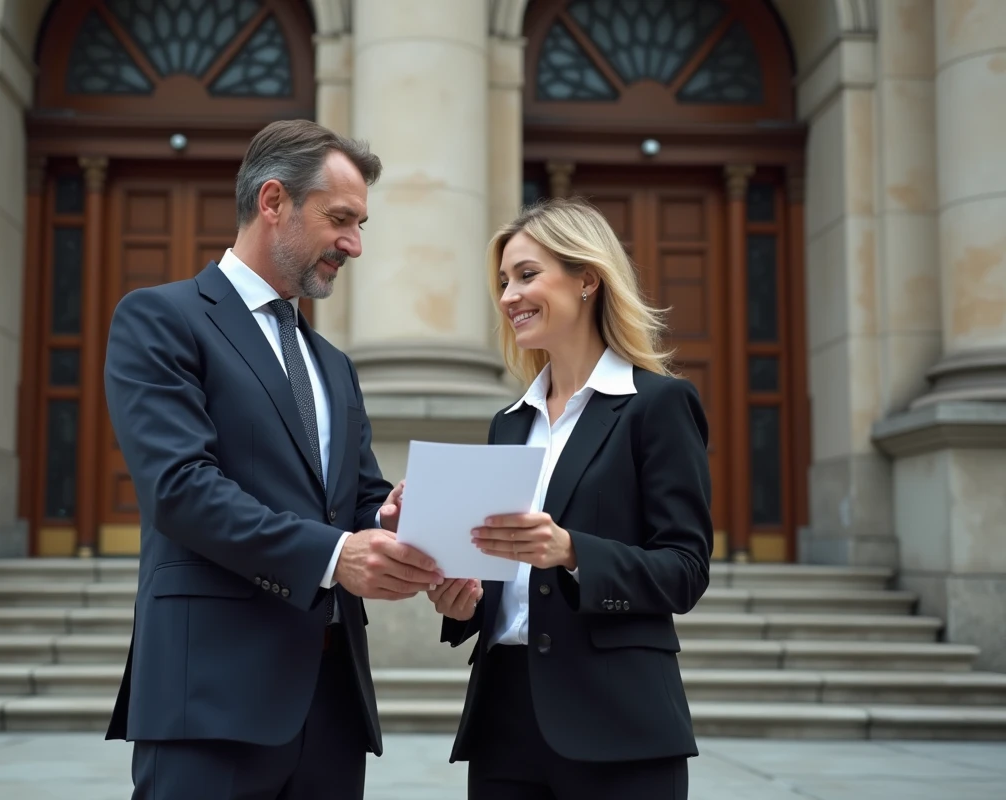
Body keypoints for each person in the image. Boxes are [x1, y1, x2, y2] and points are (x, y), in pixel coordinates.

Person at [102, 119, 444, 800]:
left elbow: (352, 503)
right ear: (272, 201)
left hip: (330, 709)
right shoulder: (161, 319)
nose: (354, 244)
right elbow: (181, 490)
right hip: (210, 704)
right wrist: (334, 554)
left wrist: (393, 516)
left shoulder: (334, 366)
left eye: (361, 224)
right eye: (341, 219)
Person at [427, 197, 712, 800]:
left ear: (588, 278)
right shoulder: (509, 421)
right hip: (504, 718)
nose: (508, 296)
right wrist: (463, 602)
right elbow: (499, 582)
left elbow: (685, 570)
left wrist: (571, 550)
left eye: (527, 275)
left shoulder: (658, 406)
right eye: (504, 281)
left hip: (619, 722)